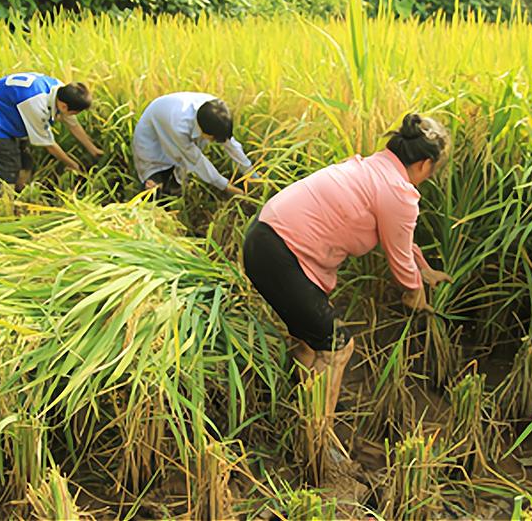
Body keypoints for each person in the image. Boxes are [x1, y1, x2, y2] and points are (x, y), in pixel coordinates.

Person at [243, 113, 453, 418]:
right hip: (283, 255)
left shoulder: (372, 168)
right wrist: (413, 293)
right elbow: (399, 259)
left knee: (308, 341)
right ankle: (321, 443)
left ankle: (303, 409)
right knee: (338, 347)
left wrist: (423, 269)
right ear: (424, 164)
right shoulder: (398, 191)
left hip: (261, 240)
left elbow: (401, 242)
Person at [0, 72, 103, 190]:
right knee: (8, 165)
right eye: (74, 112)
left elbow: (73, 124)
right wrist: (73, 165)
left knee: (26, 161)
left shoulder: (61, 90)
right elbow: (48, 145)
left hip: (13, 112)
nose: (73, 115)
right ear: (64, 106)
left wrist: (93, 150)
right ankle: (3, 205)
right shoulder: (37, 105)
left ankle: (20, 195)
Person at [132, 92, 257, 197]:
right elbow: (197, 161)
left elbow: (232, 145)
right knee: (153, 186)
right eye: (213, 139)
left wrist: (253, 177)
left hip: (173, 124)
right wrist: (228, 188)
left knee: (179, 178)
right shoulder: (179, 126)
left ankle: (173, 192)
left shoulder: (216, 113)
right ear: (203, 130)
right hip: (153, 137)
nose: (213, 142)